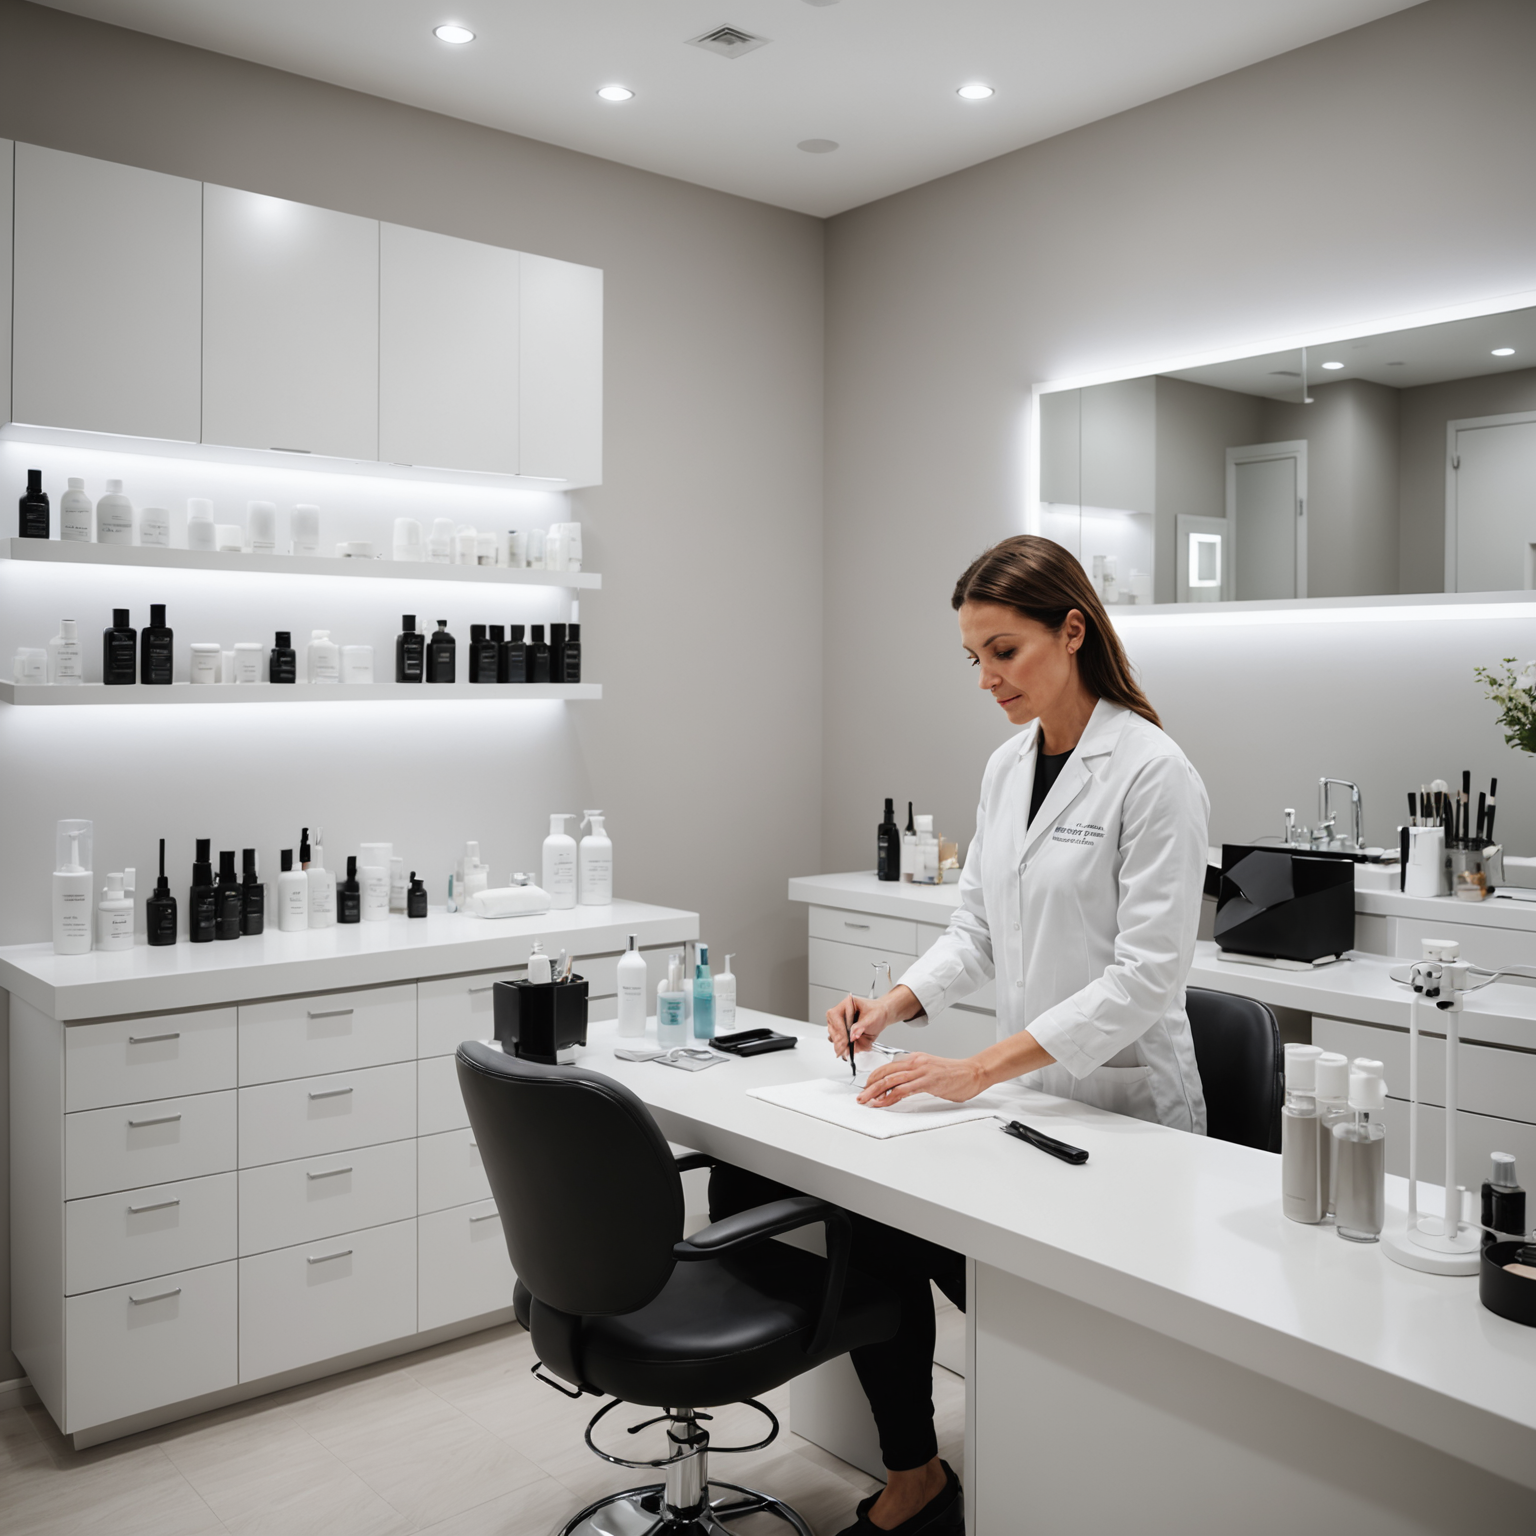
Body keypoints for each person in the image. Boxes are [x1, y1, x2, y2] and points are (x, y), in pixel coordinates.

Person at [712, 535, 1210, 1536]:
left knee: (1052, 1331)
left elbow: (1147, 978)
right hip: (1026, 1102)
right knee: (880, 1232)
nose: (986, 679)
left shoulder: (1154, 773)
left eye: (1005, 651)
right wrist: (894, 1002)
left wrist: (977, 1068)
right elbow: (977, 929)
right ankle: (917, 1472)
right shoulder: (1007, 766)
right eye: (973, 658)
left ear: (1074, 631)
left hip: (1124, 1115)